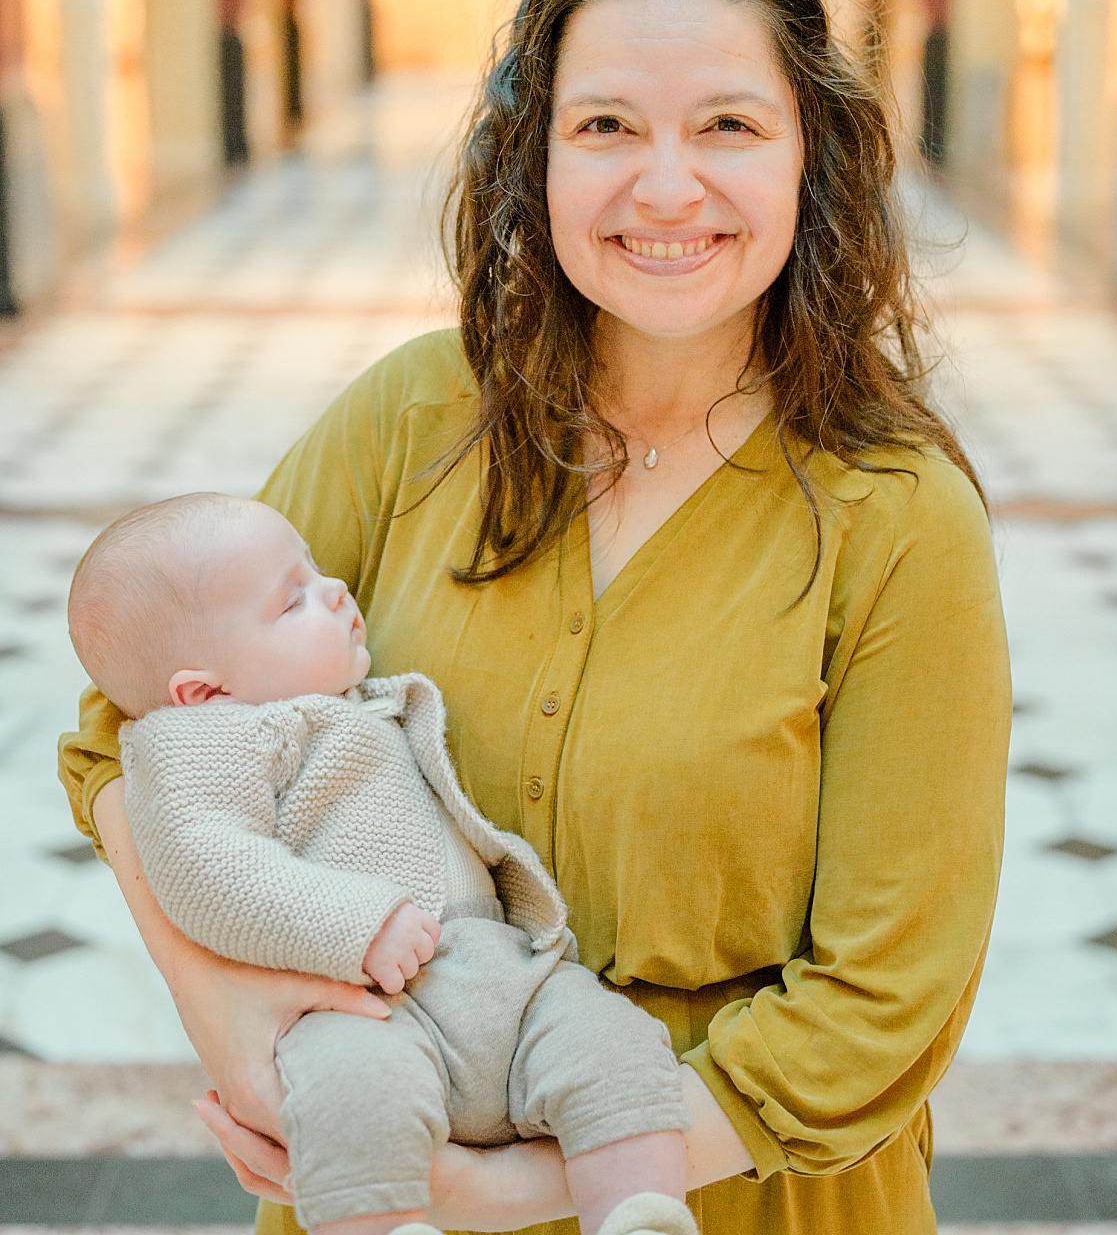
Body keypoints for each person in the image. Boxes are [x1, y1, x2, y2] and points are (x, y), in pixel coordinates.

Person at [59, 0, 1012, 1235]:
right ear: (539, 158)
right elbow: (129, 732)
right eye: (606, 126)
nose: (665, 187)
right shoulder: (411, 418)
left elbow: (884, 1000)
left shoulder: (899, 517)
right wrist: (230, 1015)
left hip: (739, 1200)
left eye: (729, 126)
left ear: (813, 158)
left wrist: (508, 1188)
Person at [71, 493, 695, 1235]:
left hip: (507, 977)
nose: (334, 589)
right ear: (205, 692)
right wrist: (359, 924)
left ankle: (640, 1216)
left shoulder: (343, 703)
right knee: (351, 1103)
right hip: (360, 999)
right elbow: (210, 868)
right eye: (292, 600)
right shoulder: (197, 744)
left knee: (616, 1049)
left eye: (317, 570)